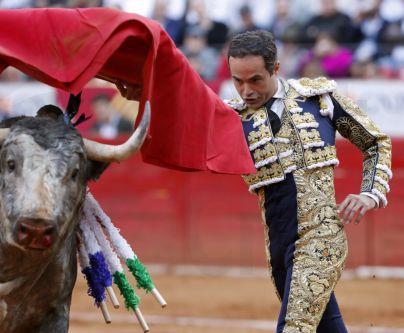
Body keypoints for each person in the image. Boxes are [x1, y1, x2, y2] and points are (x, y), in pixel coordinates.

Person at [118, 29, 392, 333]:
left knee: (294, 328)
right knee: (327, 328)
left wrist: (371, 193)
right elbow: (179, 115)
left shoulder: (318, 99)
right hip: (278, 247)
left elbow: (376, 142)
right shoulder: (228, 116)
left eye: (255, 80)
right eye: (238, 81)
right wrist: (144, 94)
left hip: (321, 239)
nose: (246, 90)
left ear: (275, 68)